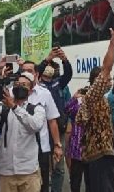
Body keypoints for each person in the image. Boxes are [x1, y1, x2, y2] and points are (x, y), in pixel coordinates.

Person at [75, 29, 114, 192]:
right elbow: (107, 68)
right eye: (107, 79)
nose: (110, 81)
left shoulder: (101, 98)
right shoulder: (92, 96)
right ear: (98, 82)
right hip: (99, 154)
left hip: (97, 154)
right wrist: (113, 42)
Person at [0, 72, 45, 192]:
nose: (19, 87)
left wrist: (14, 107)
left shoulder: (37, 109)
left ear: (31, 91)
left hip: (29, 170)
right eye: (17, 84)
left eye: (24, 85)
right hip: (7, 171)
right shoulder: (2, 109)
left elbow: (35, 126)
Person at [21, 61, 64, 192]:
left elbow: (52, 121)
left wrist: (57, 145)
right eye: (24, 71)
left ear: (36, 74)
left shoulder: (44, 93)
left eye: (30, 71)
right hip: (21, 150)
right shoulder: (12, 93)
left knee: (42, 185)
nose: (27, 74)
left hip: (41, 149)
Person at [37, 48, 73, 192]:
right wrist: (47, 58)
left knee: (59, 167)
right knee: (43, 165)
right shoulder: (37, 85)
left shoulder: (58, 84)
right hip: (41, 130)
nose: (49, 68)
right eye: (48, 65)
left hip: (59, 129)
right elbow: (36, 72)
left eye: (52, 65)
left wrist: (64, 59)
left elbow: (69, 74)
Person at [64, 88, 88, 192]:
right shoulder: (76, 106)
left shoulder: (92, 105)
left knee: (91, 180)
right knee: (75, 180)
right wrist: (74, 97)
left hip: (90, 148)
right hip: (77, 147)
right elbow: (66, 109)